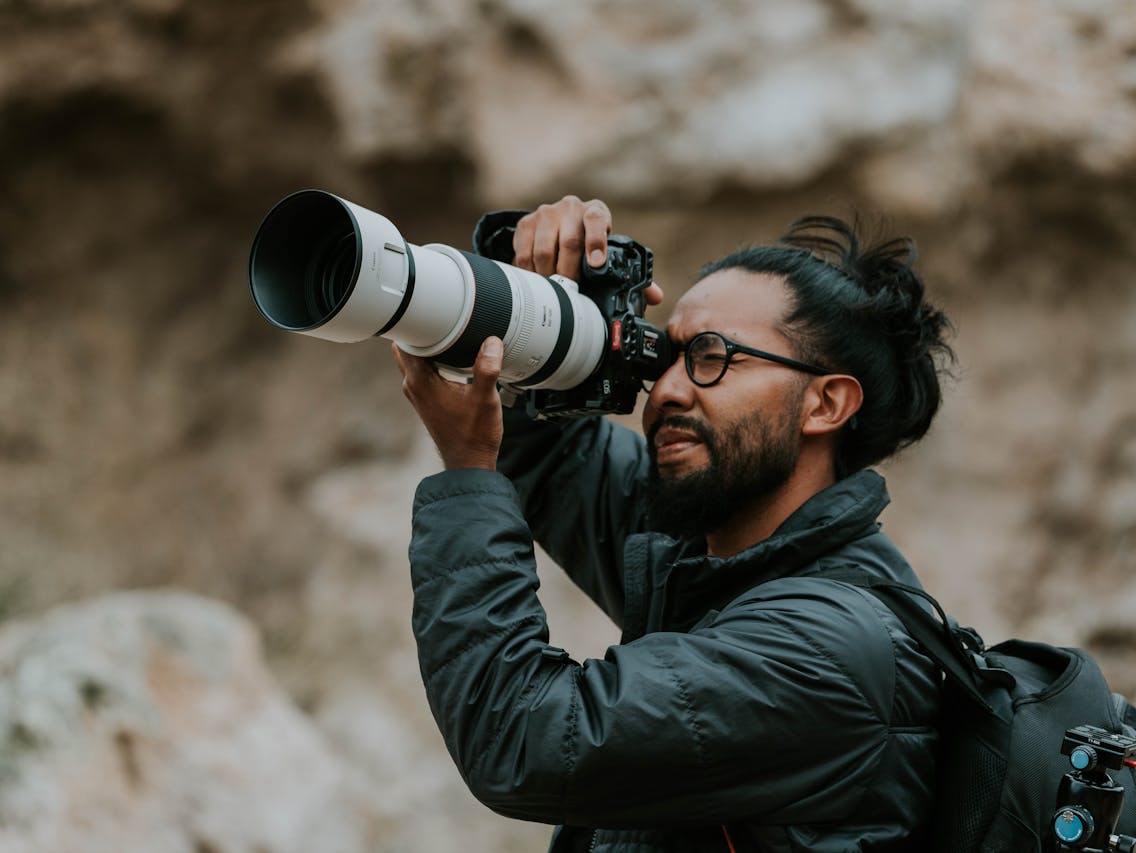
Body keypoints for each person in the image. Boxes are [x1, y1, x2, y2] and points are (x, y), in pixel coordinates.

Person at [392, 195, 953, 852]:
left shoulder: (826, 650)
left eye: (712, 356)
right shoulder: (712, 546)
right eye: (668, 356)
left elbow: (522, 736)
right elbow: (547, 453)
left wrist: (468, 467)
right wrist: (524, 282)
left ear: (825, 404)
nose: (666, 391)